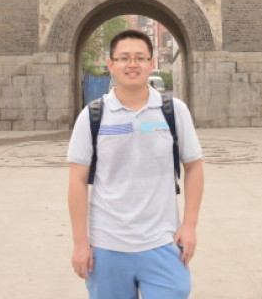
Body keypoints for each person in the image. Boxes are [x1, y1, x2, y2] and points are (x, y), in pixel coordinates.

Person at [67, 29, 204, 299]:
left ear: (151, 63)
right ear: (111, 64)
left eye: (140, 58)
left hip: (162, 241)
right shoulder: (93, 115)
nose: (132, 64)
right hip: (107, 245)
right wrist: (80, 243)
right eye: (124, 58)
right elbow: (77, 180)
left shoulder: (174, 111)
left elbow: (194, 167)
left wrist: (189, 226)